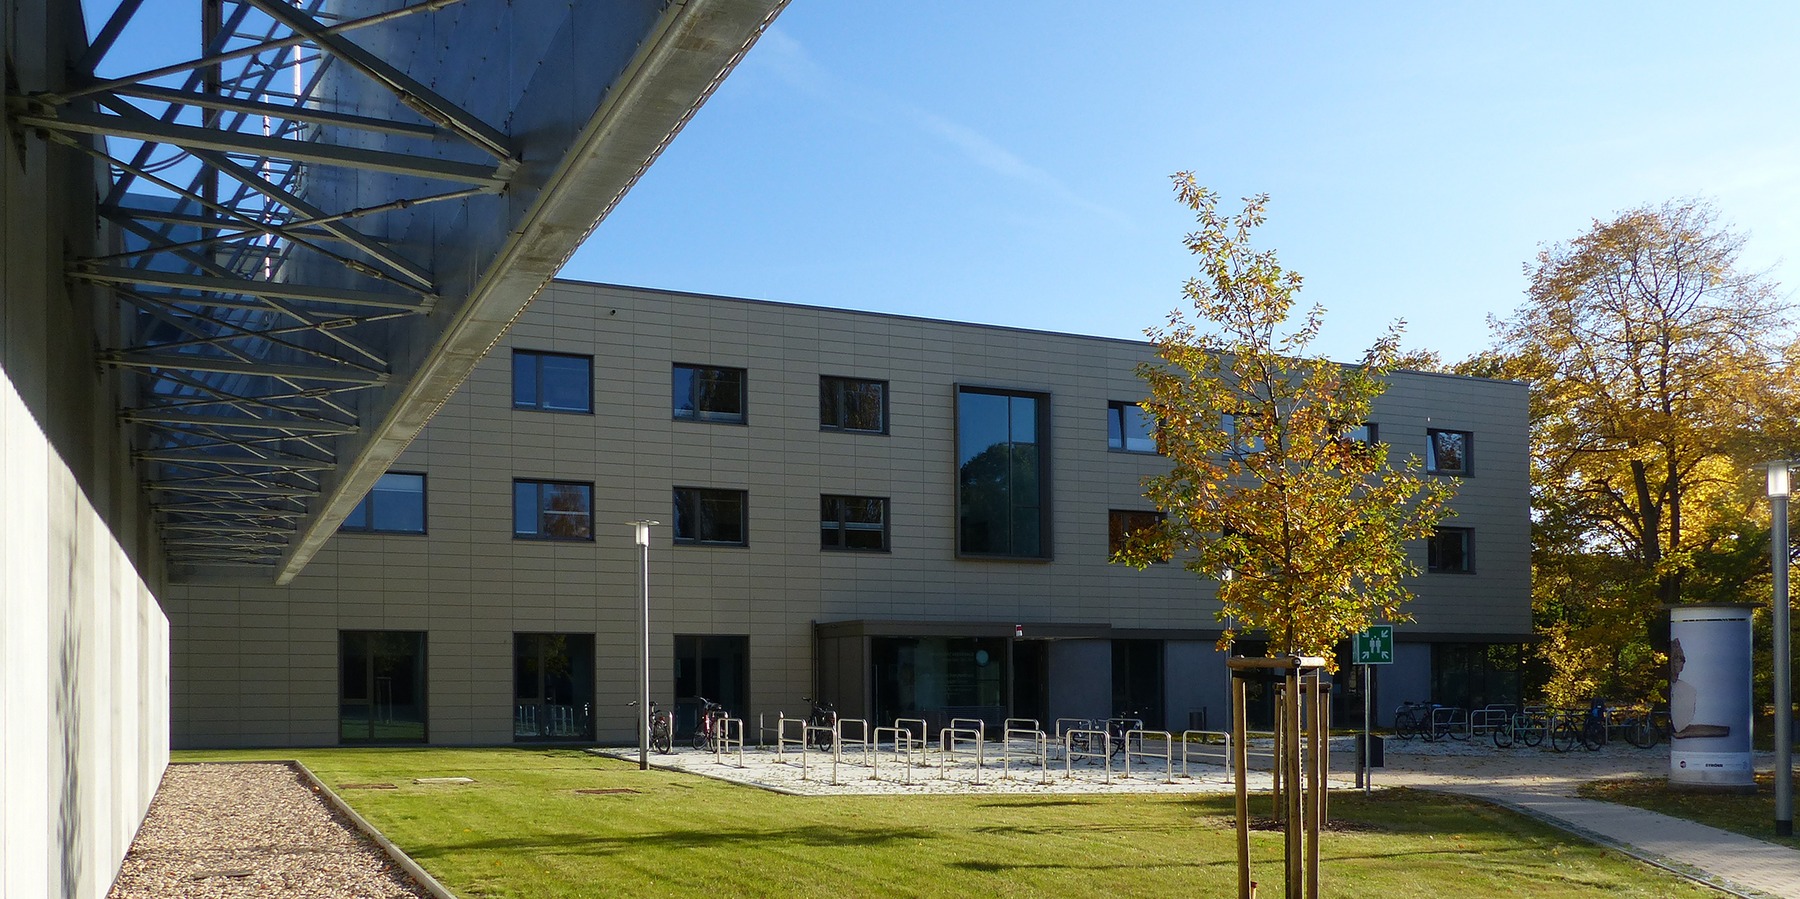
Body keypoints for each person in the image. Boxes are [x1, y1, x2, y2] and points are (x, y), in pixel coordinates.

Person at [1669, 637, 1730, 740]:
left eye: (1681, 659)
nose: (1681, 663)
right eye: (1677, 659)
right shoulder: (1683, 689)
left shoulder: (1688, 690)